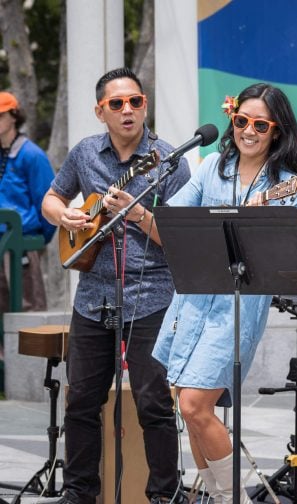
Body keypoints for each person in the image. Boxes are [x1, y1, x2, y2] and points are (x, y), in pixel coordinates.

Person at [151, 82, 297, 504]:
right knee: (185, 404)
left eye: (261, 124)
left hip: (236, 306)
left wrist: (254, 216)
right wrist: (134, 212)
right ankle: (217, 497)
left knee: (194, 405)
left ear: (277, 131)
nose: (249, 131)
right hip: (192, 299)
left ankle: (230, 498)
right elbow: (171, 224)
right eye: (242, 121)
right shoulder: (210, 168)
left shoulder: (287, 184)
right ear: (232, 120)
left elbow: (275, 253)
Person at [41, 67, 191, 504]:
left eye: (135, 102)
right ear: (100, 111)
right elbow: (52, 196)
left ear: (145, 105)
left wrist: (139, 214)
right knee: (81, 402)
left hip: (152, 297)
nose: (127, 110)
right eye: (116, 104)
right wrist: (63, 216)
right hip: (92, 296)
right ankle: (79, 493)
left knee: (153, 405)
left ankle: (164, 495)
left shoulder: (168, 161)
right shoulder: (85, 153)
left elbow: (181, 239)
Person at [0, 90, 56, 314]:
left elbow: (49, 201)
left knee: (27, 306)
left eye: (1, 115)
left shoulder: (32, 154)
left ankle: (27, 351)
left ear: (14, 116)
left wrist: (37, 241)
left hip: (21, 241)